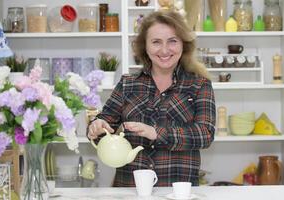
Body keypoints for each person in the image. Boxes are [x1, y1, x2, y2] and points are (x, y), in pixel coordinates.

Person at [87, 10, 216, 187]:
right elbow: (104, 127)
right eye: (156, 42)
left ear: (183, 45)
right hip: (129, 190)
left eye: (172, 41)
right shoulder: (128, 84)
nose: (164, 50)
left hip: (177, 191)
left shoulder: (199, 85)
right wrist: (96, 127)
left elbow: (205, 134)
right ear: (145, 46)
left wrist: (155, 133)